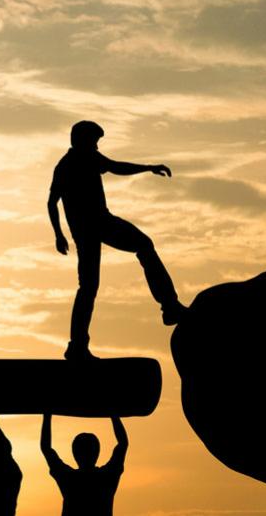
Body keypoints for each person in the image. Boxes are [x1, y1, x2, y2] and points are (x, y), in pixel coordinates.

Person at [48, 120, 186, 361]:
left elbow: (114, 167)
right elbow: (53, 201)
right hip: (93, 226)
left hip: (96, 224)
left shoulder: (83, 159)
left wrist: (147, 168)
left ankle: (169, 306)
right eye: (94, 142)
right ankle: (77, 346)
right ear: (82, 141)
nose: (97, 147)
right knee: (90, 285)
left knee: (139, 248)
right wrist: (58, 234)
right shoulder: (73, 162)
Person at [41, 415, 126, 516]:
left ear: (75, 453)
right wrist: (114, 416)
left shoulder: (68, 478)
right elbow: (123, 444)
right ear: (97, 452)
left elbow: (46, 447)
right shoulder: (107, 476)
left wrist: (47, 416)